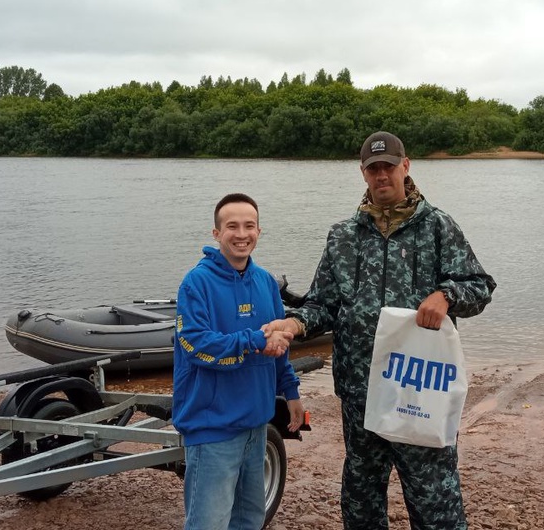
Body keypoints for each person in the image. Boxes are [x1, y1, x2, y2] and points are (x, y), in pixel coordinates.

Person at [263, 131, 496, 529]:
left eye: (389, 166)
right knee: (361, 494)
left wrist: (446, 296)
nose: (382, 175)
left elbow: (480, 286)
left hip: (420, 388)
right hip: (360, 393)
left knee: (434, 495)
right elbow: (324, 305)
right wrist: (295, 322)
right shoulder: (342, 236)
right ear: (363, 173)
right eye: (374, 168)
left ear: (406, 166)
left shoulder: (438, 227)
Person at [173, 192, 304, 530]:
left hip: (256, 427)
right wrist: (256, 339)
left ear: (259, 231)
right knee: (209, 523)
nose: (241, 234)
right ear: (217, 234)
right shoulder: (196, 283)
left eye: (249, 226)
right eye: (232, 226)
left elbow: (280, 349)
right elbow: (195, 345)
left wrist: (291, 393)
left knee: (249, 519)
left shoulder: (265, 283)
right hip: (212, 428)